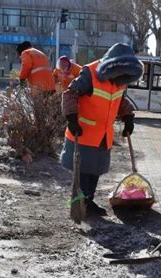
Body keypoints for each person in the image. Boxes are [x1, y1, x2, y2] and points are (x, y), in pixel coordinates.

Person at [60, 43, 143, 215]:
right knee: (83, 171)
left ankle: (88, 201)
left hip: (103, 135)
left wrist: (128, 117)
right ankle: (80, 203)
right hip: (83, 132)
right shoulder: (89, 73)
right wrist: (71, 118)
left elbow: (120, 100)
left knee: (95, 170)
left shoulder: (121, 80)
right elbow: (70, 94)